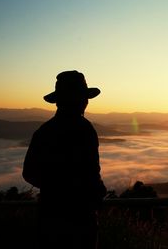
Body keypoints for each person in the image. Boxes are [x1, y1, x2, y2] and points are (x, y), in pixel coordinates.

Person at [22, 70, 107, 249]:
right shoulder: (86, 130)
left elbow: (28, 173)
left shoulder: (44, 132)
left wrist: (54, 188)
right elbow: (93, 173)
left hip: (50, 219)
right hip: (82, 220)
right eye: (82, 97)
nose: (85, 102)